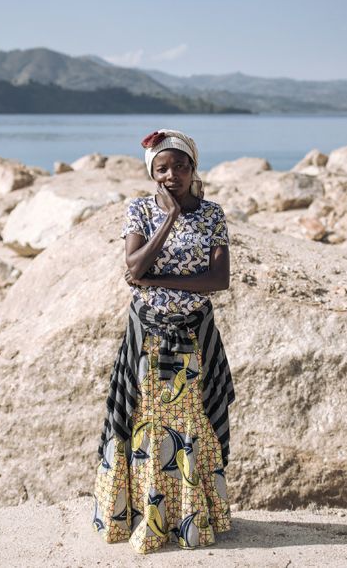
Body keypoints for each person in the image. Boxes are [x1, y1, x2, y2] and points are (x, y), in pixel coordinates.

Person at [92, 129, 236, 554]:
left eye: (180, 166)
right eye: (162, 168)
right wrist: (169, 218)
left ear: (194, 168)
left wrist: (155, 279)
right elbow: (133, 263)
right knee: (143, 421)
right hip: (148, 335)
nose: (172, 174)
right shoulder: (140, 210)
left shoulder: (212, 214)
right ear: (152, 174)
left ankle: (189, 517)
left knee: (190, 422)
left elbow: (218, 280)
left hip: (193, 333)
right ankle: (139, 516)